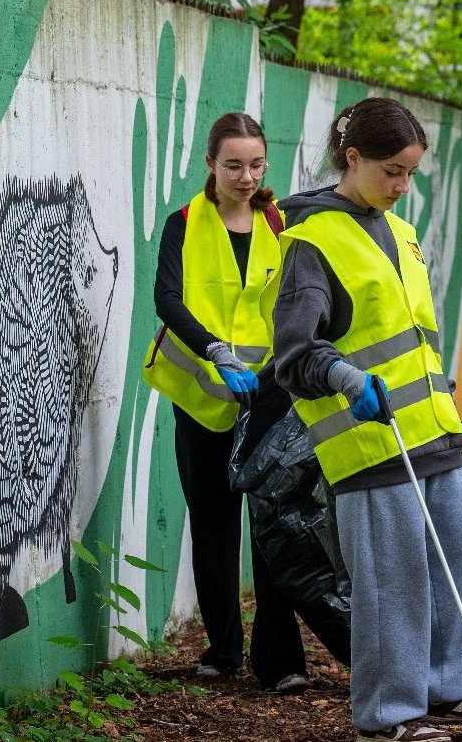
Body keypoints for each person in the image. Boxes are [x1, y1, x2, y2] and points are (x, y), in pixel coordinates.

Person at [272, 97, 462, 742]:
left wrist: (455, 417)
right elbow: (294, 356)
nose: (404, 186)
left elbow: (417, 342)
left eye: (411, 173)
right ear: (351, 159)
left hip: (431, 433)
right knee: (393, 581)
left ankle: (453, 687)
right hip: (368, 442)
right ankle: (388, 713)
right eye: (392, 172)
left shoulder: (399, 230)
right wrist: (349, 380)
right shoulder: (309, 239)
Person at [144, 112, 311, 691]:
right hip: (201, 394)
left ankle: (281, 660)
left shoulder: (281, 224)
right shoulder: (184, 224)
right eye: (234, 164)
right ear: (210, 163)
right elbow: (167, 299)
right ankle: (221, 650)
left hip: (269, 395)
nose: (246, 176)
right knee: (213, 522)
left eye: (256, 165)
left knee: (271, 525)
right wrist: (215, 350)